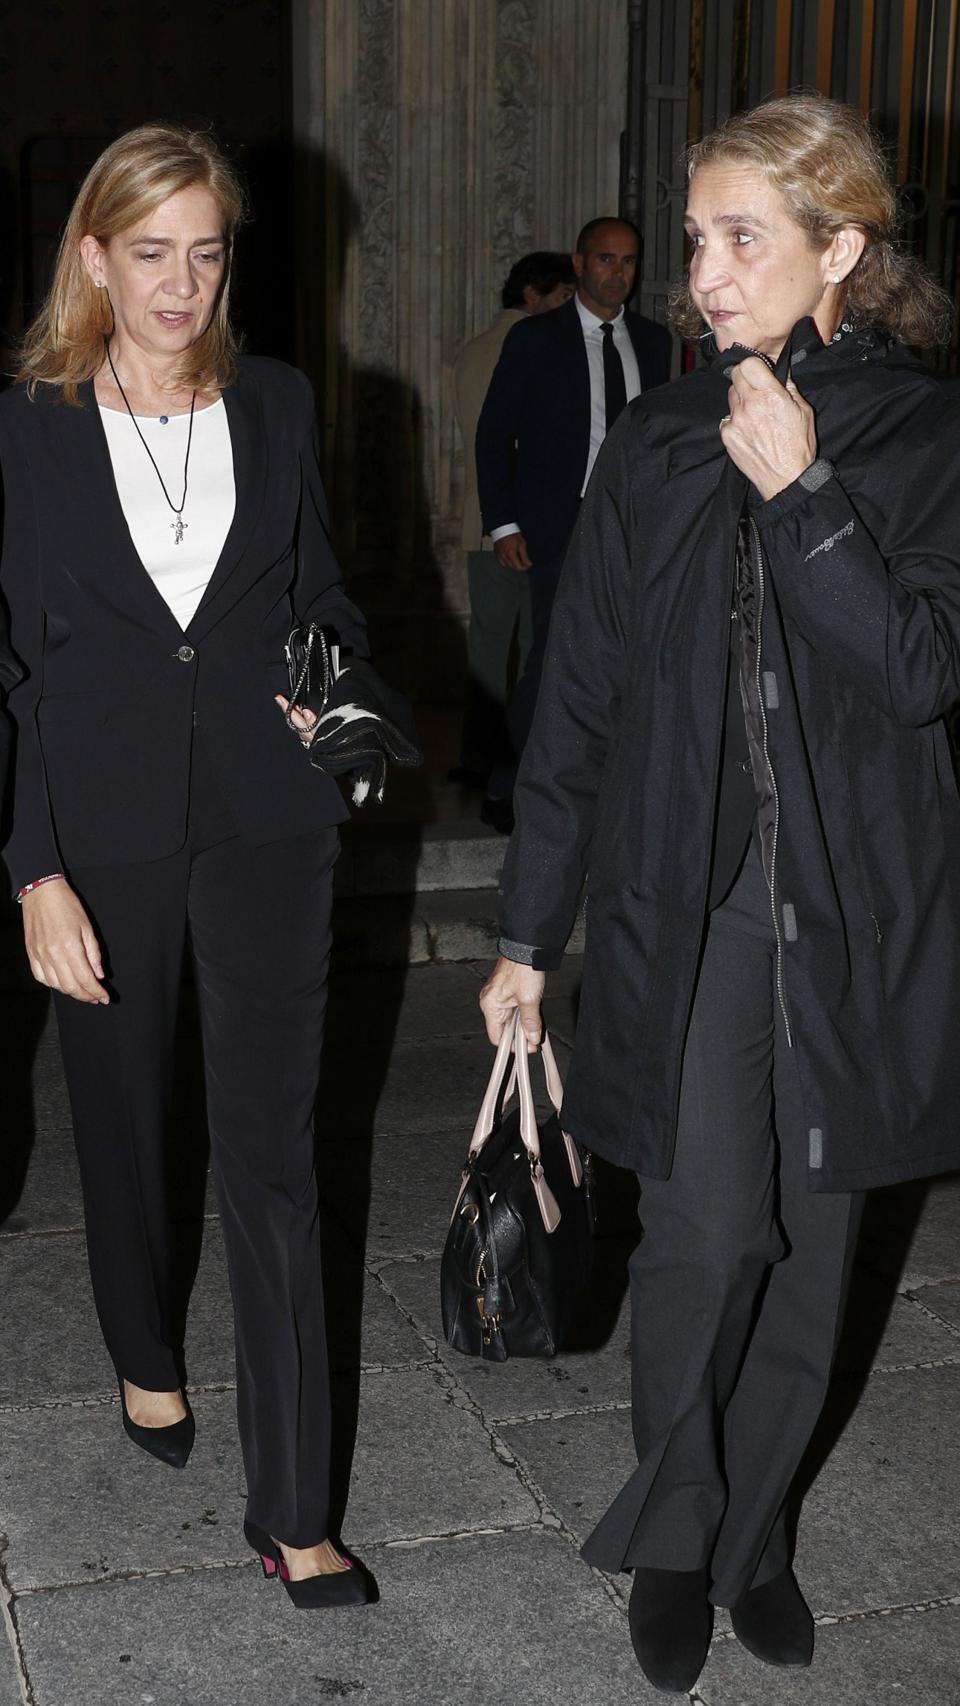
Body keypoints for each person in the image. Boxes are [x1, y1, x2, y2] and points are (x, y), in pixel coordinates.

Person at [480, 93, 960, 1693]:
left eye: (742, 237)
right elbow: (583, 703)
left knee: (815, 1260)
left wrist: (809, 496)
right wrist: (523, 935)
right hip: (686, 911)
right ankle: (679, 1532)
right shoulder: (660, 442)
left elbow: (918, 673)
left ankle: (757, 1527)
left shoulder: (926, 438)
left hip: (852, 922)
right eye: (696, 239)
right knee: (699, 1240)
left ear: (843, 250)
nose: (706, 273)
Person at [0, 124, 376, 1610]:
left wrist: (330, 695)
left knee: (276, 1159)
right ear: (92, 254)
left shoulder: (276, 404)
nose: (182, 282)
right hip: (94, 834)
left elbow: (323, 597)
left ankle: (294, 1508)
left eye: (208, 251)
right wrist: (32, 867)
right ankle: (142, 1347)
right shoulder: (26, 424)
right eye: (150, 251)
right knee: (125, 1122)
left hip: (270, 825)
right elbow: (11, 667)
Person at [475, 216, 672, 829]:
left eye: (630, 261)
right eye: (607, 259)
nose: (620, 272)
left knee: (629, 660)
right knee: (548, 660)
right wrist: (504, 525)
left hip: (634, 527)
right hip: (559, 526)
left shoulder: (655, 341)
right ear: (579, 263)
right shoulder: (537, 339)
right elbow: (492, 436)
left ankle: (607, 789)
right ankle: (508, 786)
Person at [451, 251, 575, 789]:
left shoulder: (473, 349)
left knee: (489, 645)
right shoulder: (532, 343)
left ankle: (479, 755)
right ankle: (512, 761)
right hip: (519, 523)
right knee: (531, 646)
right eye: (563, 296)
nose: (570, 309)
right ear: (533, 294)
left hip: (485, 520)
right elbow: (505, 439)